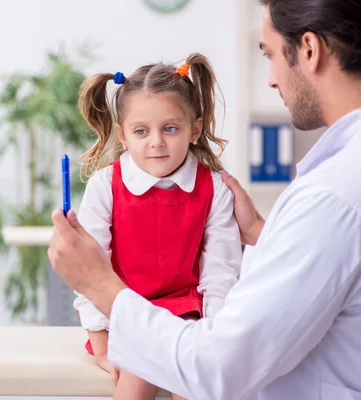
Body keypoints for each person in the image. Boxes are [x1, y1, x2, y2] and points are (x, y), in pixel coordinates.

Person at [49, 0, 361, 398]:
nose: (272, 79)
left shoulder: (336, 196)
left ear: (310, 50)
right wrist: (260, 232)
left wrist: (99, 284)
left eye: (270, 55)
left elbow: (216, 368)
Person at [72, 53, 242, 400]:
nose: (156, 142)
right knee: (136, 378)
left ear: (194, 129)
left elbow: (220, 273)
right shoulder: (106, 186)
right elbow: (91, 268)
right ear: (123, 135)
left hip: (187, 317)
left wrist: (213, 343)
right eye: (141, 131)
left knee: (194, 385)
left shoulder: (216, 189)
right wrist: (102, 346)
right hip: (125, 313)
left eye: (170, 128)